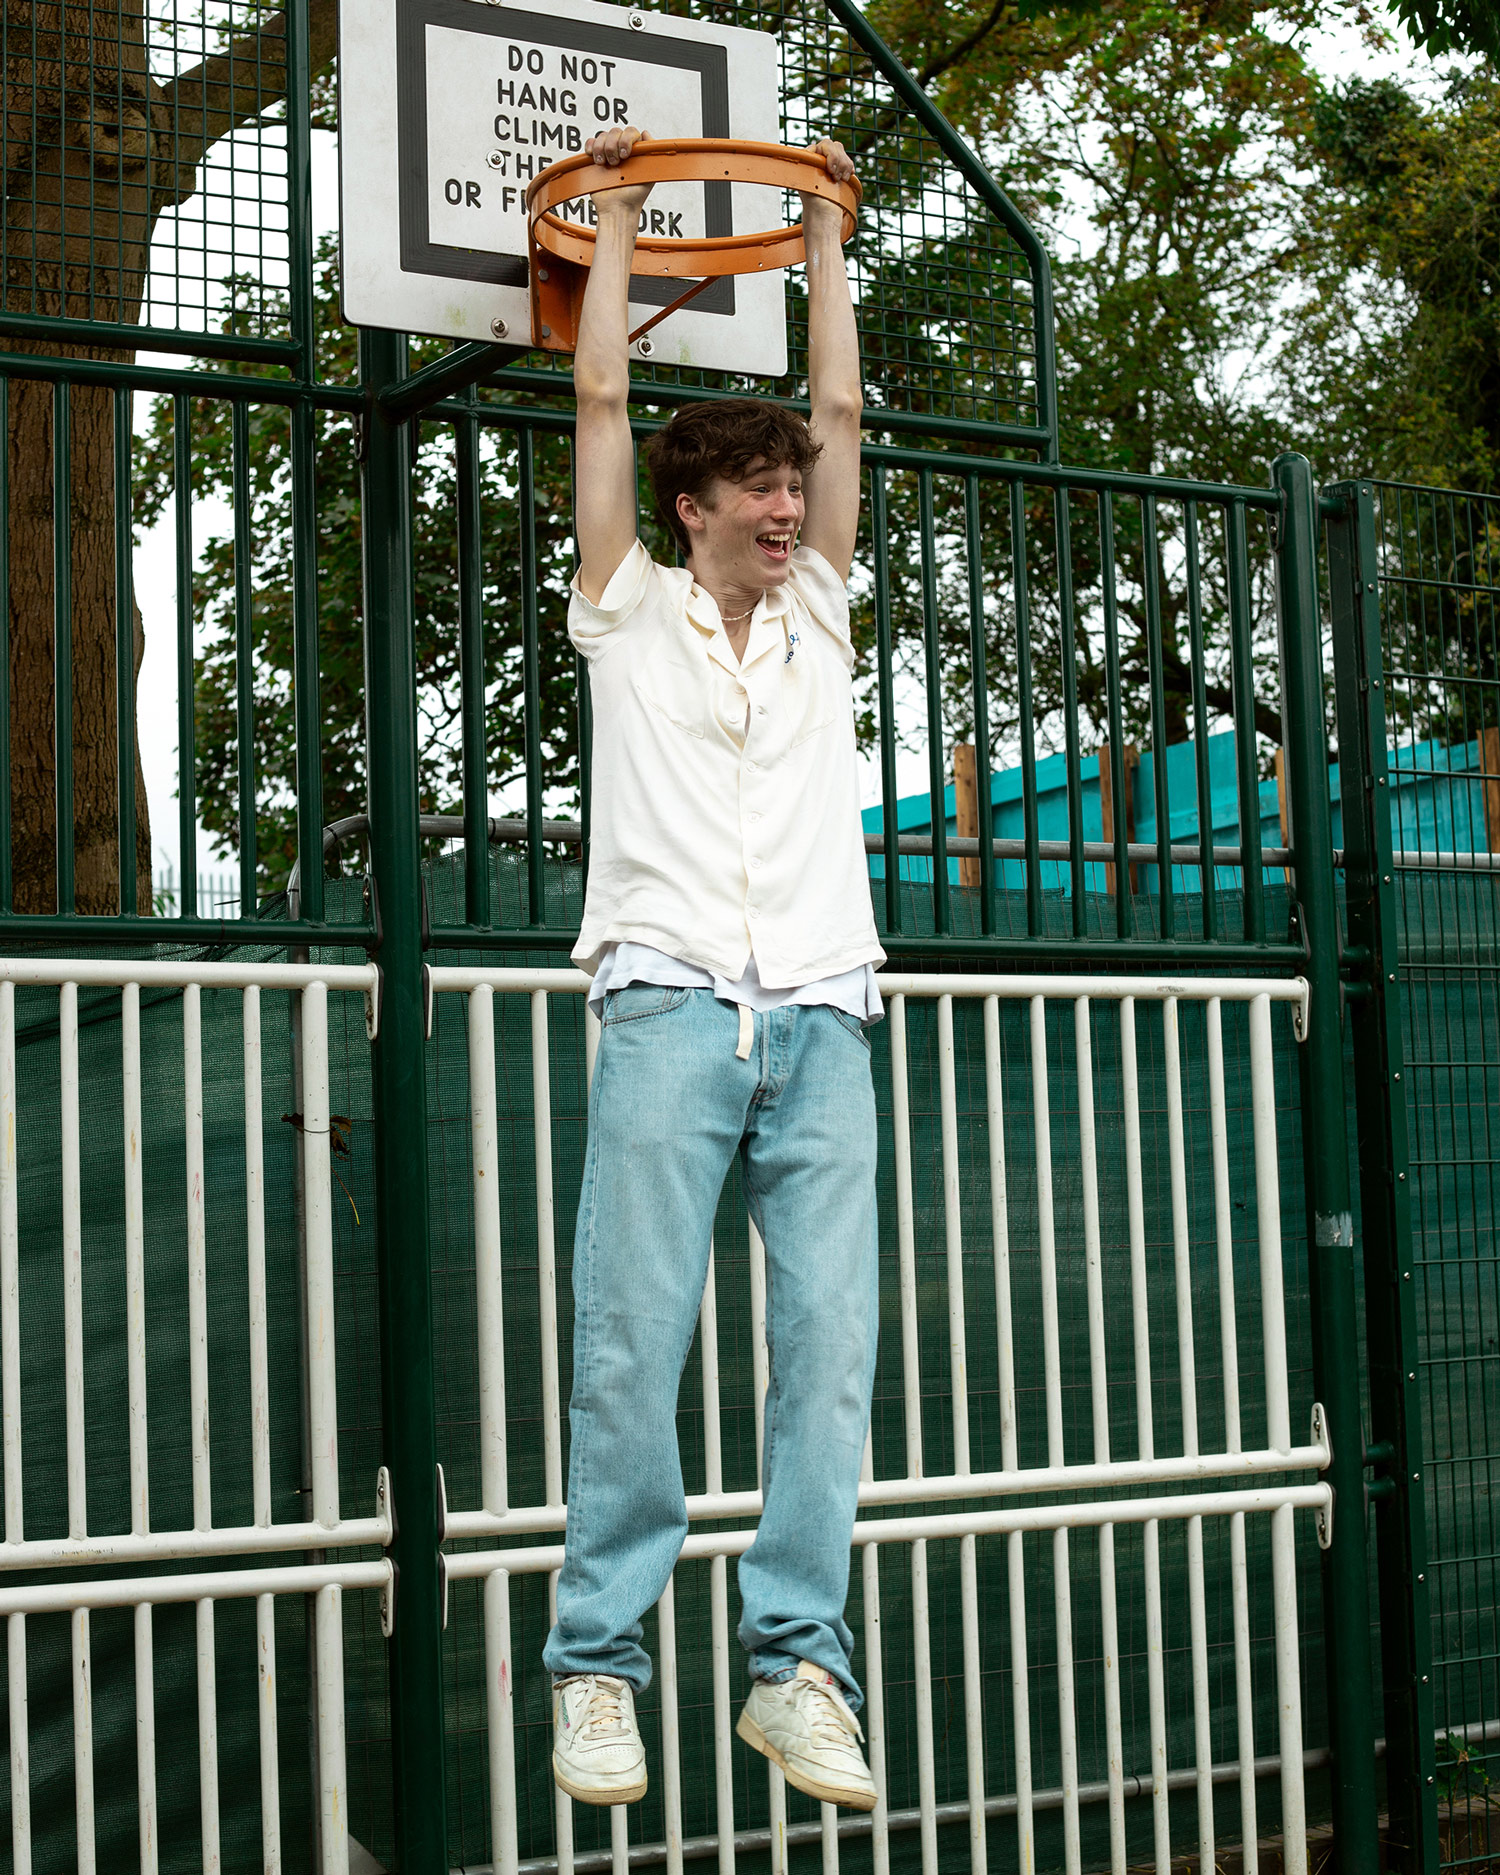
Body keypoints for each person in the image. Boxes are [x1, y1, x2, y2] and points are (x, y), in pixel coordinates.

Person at [544, 122, 884, 1817]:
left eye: (794, 491)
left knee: (829, 1355)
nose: (788, 507)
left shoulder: (819, 610)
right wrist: (615, 224)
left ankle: (797, 1668)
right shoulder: (625, 605)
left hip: (823, 1009)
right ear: (695, 511)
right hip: (671, 1003)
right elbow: (601, 402)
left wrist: (822, 236)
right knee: (632, 1345)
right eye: (758, 492)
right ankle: (596, 1669)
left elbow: (842, 410)